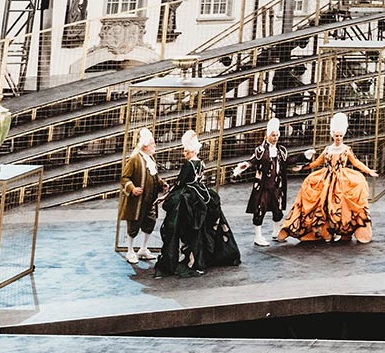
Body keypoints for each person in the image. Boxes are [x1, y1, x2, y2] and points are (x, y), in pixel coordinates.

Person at [279, 112, 378, 244]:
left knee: (341, 205)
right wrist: (302, 168)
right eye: (336, 136)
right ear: (332, 135)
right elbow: (316, 163)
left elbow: (356, 162)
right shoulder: (327, 149)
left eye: (341, 136)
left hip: (342, 179)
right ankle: (326, 231)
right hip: (326, 178)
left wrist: (368, 171)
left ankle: (343, 231)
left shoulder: (346, 149)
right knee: (323, 203)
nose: (338, 138)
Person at [156, 129, 242, 277]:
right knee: (200, 228)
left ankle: (186, 257)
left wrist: (165, 196)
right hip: (201, 194)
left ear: (190, 151)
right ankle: (198, 255)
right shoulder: (201, 163)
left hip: (188, 197)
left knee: (179, 227)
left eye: (185, 151)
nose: (184, 153)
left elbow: (180, 183)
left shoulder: (188, 165)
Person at [236, 118, 295, 247]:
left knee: (277, 208)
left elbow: (287, 161)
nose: (275, 138)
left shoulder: (281, 151)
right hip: (263, 186)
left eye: (277, 135)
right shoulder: (260, 150)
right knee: (260, 209)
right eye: (273, 135)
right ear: (267, 135)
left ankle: (276, 231)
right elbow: (253, 161)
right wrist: (245, 165)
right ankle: (258, 236)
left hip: (276, 185)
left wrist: (303, 157)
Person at [118, 128, 163, 265]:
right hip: (137, 201)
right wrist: (132, 188)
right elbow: (124, 178)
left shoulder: (150, 159)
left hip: (150, 200)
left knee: (150, 222)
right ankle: (130, 250)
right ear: (145, 146)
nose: (154, 146)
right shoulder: (134, 159)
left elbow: (154, 176)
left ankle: (143, 248)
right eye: (152, 144)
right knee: (134, 225)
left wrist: (162, 184)